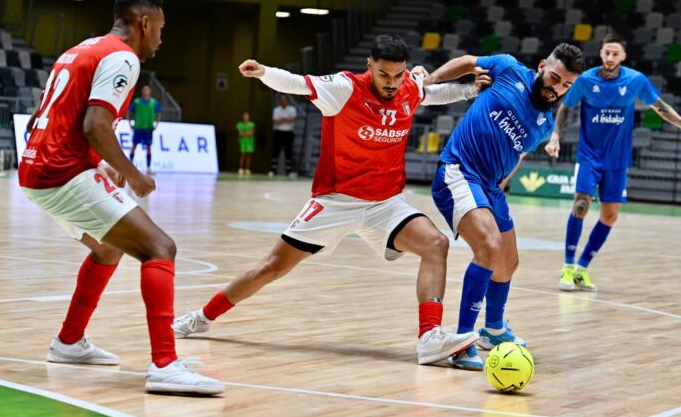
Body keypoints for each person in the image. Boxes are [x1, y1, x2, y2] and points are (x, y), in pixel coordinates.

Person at [173, 34, 482, 366]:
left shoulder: (408, 87)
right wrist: (264, 72)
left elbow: (433, 94)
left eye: (398, 75)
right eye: (383, 75)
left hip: (384, 204)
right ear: (369, 66)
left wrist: (471, 90)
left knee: (436, 243)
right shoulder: (344, 88)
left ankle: (429, 338)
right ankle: (202, 316)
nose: (391, 83)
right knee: (271, 267)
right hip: (336, 201)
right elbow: (298, 84)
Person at [19, 0, 223, 395]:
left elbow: (39, 124)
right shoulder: (123, 57)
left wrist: (98, 164)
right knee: (160, 248)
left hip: (38, 168)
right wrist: (133, 174)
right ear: (143, 24)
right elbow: (95, 125)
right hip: (60, 173)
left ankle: (69, 342)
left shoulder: (79, 50)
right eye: (161, 29)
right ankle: (165, 365)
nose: (162, 39)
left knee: (108, 247)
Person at [419, 43, 586, 370]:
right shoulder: (508, 68)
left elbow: (519, 154)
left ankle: (493, 330)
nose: (557, 89)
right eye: (554, 78)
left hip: (490, 186)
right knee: (489, 247)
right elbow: (468, 61)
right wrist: (430, 83)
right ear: (541, 66)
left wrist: (503, 183)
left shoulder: (543, 125)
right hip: (460, 170)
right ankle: (462, 341)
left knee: (507, 262)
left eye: (566, 85)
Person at [545, 33, 681, 292]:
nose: (610, 57)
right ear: (601, 53)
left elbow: (660, 107)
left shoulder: (635, 80)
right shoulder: (585, 80)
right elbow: (566, 107)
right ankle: (566, 267)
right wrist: (555, 136)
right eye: (606, 52)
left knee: (610, 215)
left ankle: (582, 268)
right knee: (581, 205)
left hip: (618, 160)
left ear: (623, 56)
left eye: (615, 53)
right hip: (589, 155)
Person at [127, 84, 161, 174]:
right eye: (144, 90)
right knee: (134, 146)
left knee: (148, 147)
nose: (146, 91)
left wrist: (156, 124)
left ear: (150, 91)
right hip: (138, 128)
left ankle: (148, 167)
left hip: (148, 129)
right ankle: (130, 166)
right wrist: (130, 123)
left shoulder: (154, 103)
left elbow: (158, 114)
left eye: (147, 90)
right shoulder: (137, 102)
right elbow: (129, 111)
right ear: (142, 91)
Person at [270, 94, 297, 176]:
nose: (283, 101)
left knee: (288, 151)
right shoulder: (276, 109)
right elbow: (275, 120)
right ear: (279, 101)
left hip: (288, 133)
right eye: (281, 99)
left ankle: (289, 171)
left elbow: (293, 119)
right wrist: (287, 119)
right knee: (275, 151)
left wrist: (282, 119)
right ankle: (272, 170)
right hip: (278, 132)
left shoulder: (292, 109)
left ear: (287, 100)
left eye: (284, 99)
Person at [236, 111, 255, 176]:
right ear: (242, 117)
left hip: (249, 142)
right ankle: (240, 168)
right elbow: (240, 134)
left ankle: (247, 169)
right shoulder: (239, 124)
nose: (245, 117)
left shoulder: (251, 124)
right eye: (244, 116)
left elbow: (251, 134)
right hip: (242, 142)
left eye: (246, 116)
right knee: (242, 155)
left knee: (248, 156)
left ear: (249, 117)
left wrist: (244, 134)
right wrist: (247, 133)